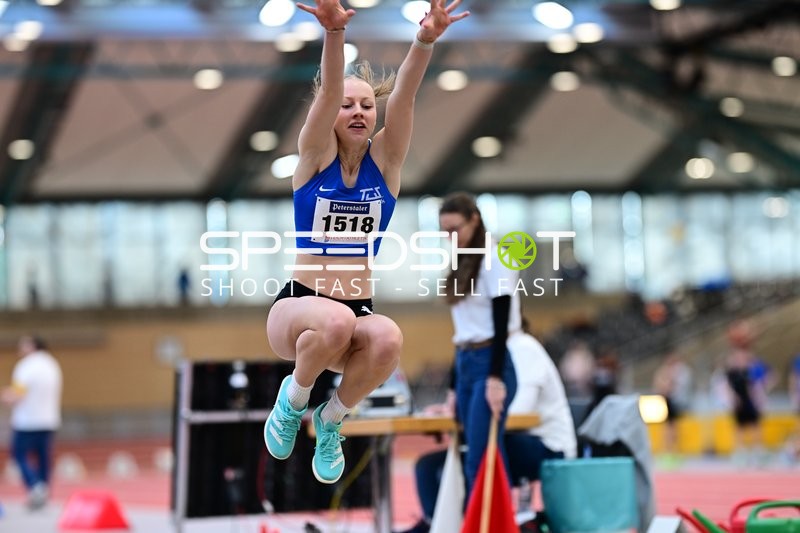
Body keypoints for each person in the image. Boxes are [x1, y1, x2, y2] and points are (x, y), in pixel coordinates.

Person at [263, 0, 469, 484]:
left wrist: (425, 41)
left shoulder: (387, 167)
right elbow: (328, 89)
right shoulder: (313, 159)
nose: (357, 111)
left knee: (389, 337)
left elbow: (406, 100)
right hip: (298, 311)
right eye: (346, 105)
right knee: (333, 318)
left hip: (353, 316)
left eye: (366, 105)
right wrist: (334, 34)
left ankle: (331, 418)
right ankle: (292, 401)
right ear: (329, 113)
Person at [397, 320, 577, 533]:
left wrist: (472, 413)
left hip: (547, 446)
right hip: (511, 438)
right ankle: (435, 522)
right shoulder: (484, 352)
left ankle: (461, 525)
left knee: (469, 462)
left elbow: (519, 412)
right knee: (428, 465)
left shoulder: (523, 347)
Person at [437, 192, 520, 504]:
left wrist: (495, 378)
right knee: (480, 455)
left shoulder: (495, 258)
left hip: (490, 363)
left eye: (454, 230)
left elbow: (500, 326)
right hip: (466, 362)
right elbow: (462, 333)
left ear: (474, 220)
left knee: (481, 459)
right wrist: (453, 386)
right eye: (444, 232)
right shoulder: (462, 262)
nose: (450, 238)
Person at [1, 335, 63, 510]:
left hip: (27, 420)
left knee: (19, 455)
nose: (20, 348)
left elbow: (18, 394)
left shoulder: (26, 366)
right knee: (43, 457)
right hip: (49, 419)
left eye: (23, 345)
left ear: (32, 346)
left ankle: (35, 485)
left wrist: (5, 396)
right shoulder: (52, 364)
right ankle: (44, 488)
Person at [652, 351, 692, 462]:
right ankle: (667, 451)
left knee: (674, 428)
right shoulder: (663, 372)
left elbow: (676, 387)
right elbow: (661, 387)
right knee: (667, 429)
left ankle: (674, 451)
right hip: (666, 401)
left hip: (673, 402)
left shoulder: (678, 372)